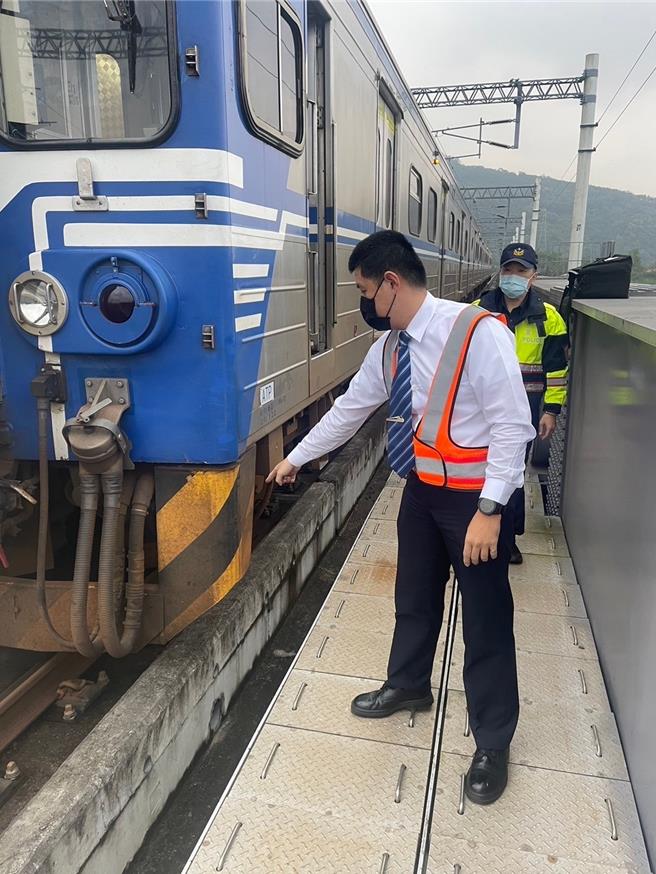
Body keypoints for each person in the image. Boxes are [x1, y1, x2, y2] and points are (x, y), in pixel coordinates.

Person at [267, 231, 535, 805]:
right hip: (420, 493)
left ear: (390, 282)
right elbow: (351, 410)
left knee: (485, 620)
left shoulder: (477, 332)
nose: (364, 302)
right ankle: (409, 685)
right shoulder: (389, 347)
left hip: (474, 503)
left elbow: (514, 425)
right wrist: (295, 458)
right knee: (413, 598)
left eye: (365, 290)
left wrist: (492, 511)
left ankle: (493, 740)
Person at [475, 243, 568, 564]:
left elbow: (557, 370)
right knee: (481, 469)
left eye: (521, 271)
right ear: (500, 273)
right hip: (481, 407)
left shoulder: (550, 319)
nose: (513, 276)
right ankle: (478, 527)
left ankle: (507, 538)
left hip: (525, 409)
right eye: (508, 270)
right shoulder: (478, 310)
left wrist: (551, 411)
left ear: (533, 276)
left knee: (511, 474)